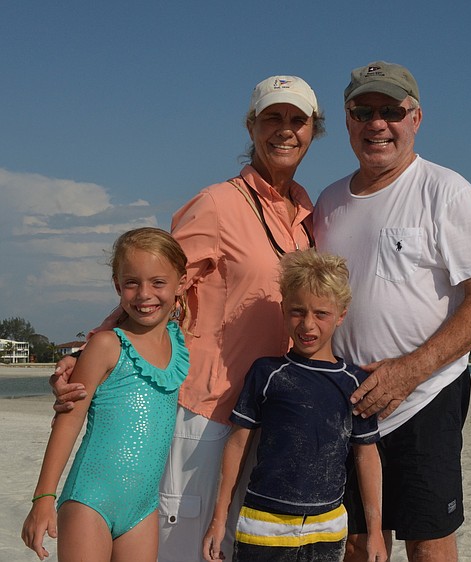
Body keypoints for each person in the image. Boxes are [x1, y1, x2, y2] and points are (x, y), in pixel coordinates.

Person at [50, 75, 323, 561]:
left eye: (297, 120)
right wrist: (92, 350)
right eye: (272, 118)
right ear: (251, 127)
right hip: (205, 413)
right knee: (186, 551)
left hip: (265, 417)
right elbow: (153, 287)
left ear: (312, 131)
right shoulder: (217, 203)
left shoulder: (306, 214)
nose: (285, 130)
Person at [313, 61, 471, 562]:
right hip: (350, 402)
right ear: (348, 120)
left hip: (426, 397)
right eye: (363, 111)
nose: (377, 123)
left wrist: (408, 372)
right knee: (355, 541)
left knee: (427, 541)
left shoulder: (446, 189)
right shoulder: (328, 202)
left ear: (415, 118)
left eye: (391, 111)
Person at [203, 251, 386, 562]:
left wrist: (376, 531)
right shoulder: (266, 373)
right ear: (283, 309)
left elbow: (367, 456)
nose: (308, 324)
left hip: (328, 527)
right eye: (297, 311)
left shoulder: (354, 382)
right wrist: (219, 519)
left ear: (341, 315)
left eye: (321, 313)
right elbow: (237, 445)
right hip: (264, 523)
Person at [22, 228, 190, 561]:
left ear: (180, 283)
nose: (144, 294)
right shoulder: (106, 345)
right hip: (89, 502)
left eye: (158, 282)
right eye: (132, 283)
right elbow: (69, 422)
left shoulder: (178, 341)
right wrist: (43, 497)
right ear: (117, 285)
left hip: (142, 509)